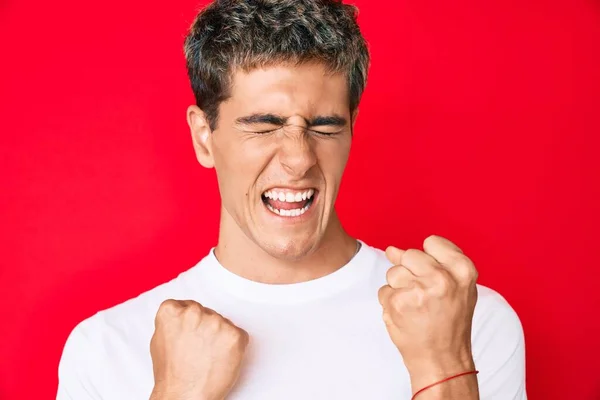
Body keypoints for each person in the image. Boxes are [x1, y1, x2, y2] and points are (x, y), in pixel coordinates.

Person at [56, 1, 526, 399]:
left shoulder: (467, 322)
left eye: (324, 127)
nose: (299, 159)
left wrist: (444, 369)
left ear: (351, 130)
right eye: (262, 126)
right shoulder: (107, 348)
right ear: (204, 137)